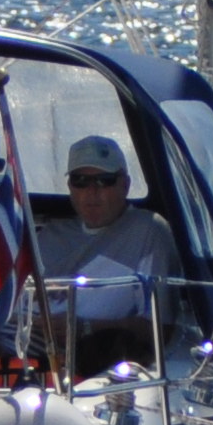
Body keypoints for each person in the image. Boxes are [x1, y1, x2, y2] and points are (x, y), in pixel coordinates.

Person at [46, 131, 176, 375]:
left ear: (125, 185)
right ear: (70, 187)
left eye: (104, 180)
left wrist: (86, 327)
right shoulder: (50, 235)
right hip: (27, 354)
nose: (92, 191)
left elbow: (162, 329)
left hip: (94, 365)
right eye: (80, 181)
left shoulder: (147, 231)